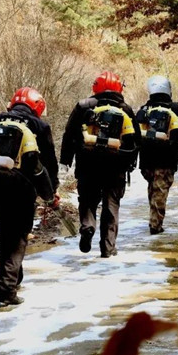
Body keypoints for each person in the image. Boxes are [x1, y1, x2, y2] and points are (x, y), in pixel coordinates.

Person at [0, 87, 59, 305]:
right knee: (18, 238)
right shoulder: (39, 126)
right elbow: (44, 164)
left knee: (5, 234)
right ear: (37, 107)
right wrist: (50, 192)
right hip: (21, 188)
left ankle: (13, 280)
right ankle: (6, 290)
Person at [60, 71, 141, 258]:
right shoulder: (125, 109)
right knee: (111, 205)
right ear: (118, 88)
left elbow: (70, 135)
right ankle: (108, 247)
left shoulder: (83, 106)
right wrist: (130, 163)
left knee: (87, 200)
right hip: (115, 165)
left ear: (96, 87)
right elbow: (135, 140)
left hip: (87, 163)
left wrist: (65, 161)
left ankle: (87, 226)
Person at [136, 75, 178, 235]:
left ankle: (154, 219)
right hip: (167, 159)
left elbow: (135, 133)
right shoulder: (175, 108)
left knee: (153, 188)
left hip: (146, 159)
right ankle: (155, 225)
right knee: (160, 191)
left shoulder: (144, 109)